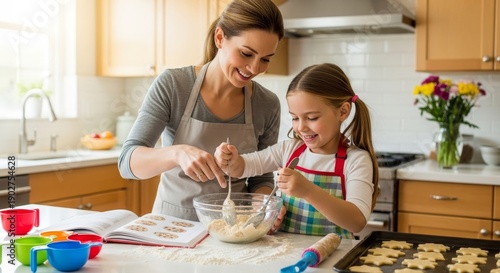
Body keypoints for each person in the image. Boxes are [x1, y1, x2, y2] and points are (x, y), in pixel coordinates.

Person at [118, 0, 284, 221]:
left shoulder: (267, 104)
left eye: (265, 59)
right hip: (172, 227)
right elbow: (128, 163)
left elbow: (260, 179)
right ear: (219, 38)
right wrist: (177, 153)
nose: (254, 68)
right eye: (246, 54)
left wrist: (263, 207)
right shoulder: (175, 85)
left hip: (234, 229)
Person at [214, 63, 379, 238]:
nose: (301, 127)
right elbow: (244, 167)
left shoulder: (356, 160)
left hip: (333, 258)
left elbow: (357, 221)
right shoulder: (289, 149)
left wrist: (308, 190)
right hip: (286, 254)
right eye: (294, 118)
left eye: (312, 118)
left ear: (343, 111)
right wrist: (229, 159)